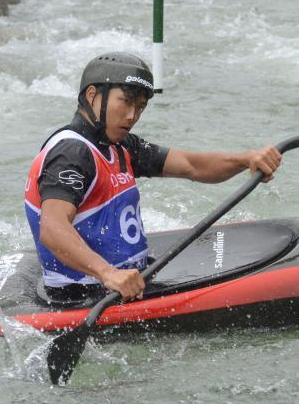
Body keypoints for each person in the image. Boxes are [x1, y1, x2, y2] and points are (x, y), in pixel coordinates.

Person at [25, 51, 282, 302]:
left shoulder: (120, 145)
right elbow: (52, 227)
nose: (132, 115)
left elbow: (192, 166)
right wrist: (108, 274)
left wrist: (246, 159)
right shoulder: (72, 153)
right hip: (83, 293)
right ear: (92, 95)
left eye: (140, 106)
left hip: (129, 280)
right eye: (125, 101)